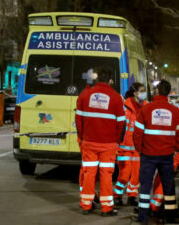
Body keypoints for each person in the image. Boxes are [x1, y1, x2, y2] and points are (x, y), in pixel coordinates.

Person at [75, 68, 125, 216]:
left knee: (89, 173)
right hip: (108, 144)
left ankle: (86, 205)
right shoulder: (116, 97)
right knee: (106, 174)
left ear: (97, 79)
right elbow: (121, 123)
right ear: (110, 80)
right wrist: (117, 140)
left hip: (89, 142)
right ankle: (106, 208)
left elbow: (78, 120)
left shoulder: (85, 95)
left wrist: (82, 137)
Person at [133, 79, 179, 224]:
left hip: (148, 154)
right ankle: (171, 216)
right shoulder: (175, 111)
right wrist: (175, 148)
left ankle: (143, 217)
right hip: (167, 155)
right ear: (168, 92)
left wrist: (140, 149)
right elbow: (178, 134)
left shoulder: (146, 109)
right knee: (168, 186)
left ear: (157, 91)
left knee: (145, 186)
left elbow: (137, 133)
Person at [114, 83, 147, 206]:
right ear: (135, 93)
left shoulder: (146, 106)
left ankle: (132, 195)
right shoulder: (124, 106)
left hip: (138, 147)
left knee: (137, 174)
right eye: (142, 91)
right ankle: (117, 195)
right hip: (124, 147)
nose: (144, 93)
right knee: (124, 173)